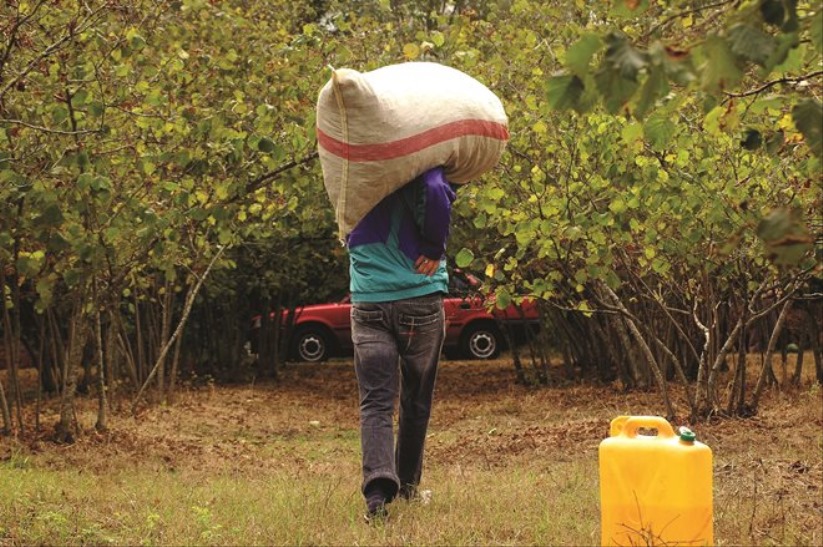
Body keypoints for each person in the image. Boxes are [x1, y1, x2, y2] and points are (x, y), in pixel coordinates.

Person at [346, 166, 456, 522]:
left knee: (375, 401)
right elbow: (436, 186)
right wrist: (434, 246)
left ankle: (377, 496)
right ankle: (407, 486)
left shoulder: (357, 163)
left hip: (369, 299)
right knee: (415, 398)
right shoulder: (415, 156)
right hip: (419, 295)